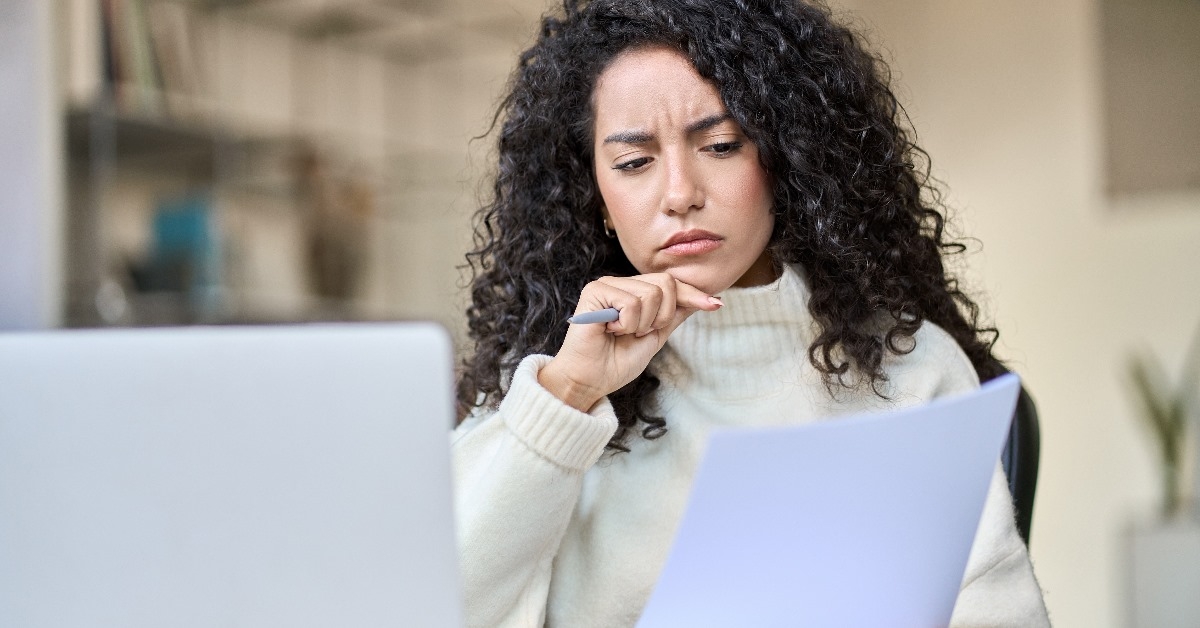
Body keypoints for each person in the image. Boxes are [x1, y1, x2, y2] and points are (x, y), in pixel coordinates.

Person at [452, 0, 1051, 626]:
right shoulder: (544, 387)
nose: (680, 193)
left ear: (784, 159)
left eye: (720, 144)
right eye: (633, 163)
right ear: (595, 195)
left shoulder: (911, 371)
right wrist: (569, 396)